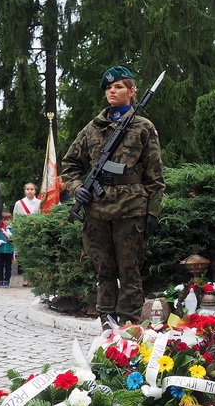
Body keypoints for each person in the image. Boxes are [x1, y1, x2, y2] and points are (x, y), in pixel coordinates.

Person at [61, 65, 165, 324]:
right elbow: (69, 165)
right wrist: (77, 189)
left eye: (118, 86)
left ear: (132, 91)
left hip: (131, 209)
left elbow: (155, 175)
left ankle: (129, 327)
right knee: (104, 271)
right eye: (108, 87)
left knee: (130, 272)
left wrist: (152, 211)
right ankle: (106, 323)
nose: (112, 91)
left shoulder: (143, 127)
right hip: (96, 209)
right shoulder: (93, 128)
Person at [13, 182, 41, 285]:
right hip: (23, 232)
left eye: (32, 189)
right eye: (28, 189)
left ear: (35, 190)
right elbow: (15, 218)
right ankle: (25, 278)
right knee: (24, 256)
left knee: (34, 255)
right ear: (25, 190)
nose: (30, 191)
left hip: (35, 231)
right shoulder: (19, 203)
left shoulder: (39, 202)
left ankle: (35, 278)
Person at [0, 211, 14, 287]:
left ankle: (7, 280)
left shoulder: (12, 229)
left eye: (8, 220)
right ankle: (0, 280)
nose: (6, 221)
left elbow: (15, 240)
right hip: (0, 250)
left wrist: (11, 236)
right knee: (0, 266)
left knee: (8, 266)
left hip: (9, 250)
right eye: (4, 220)